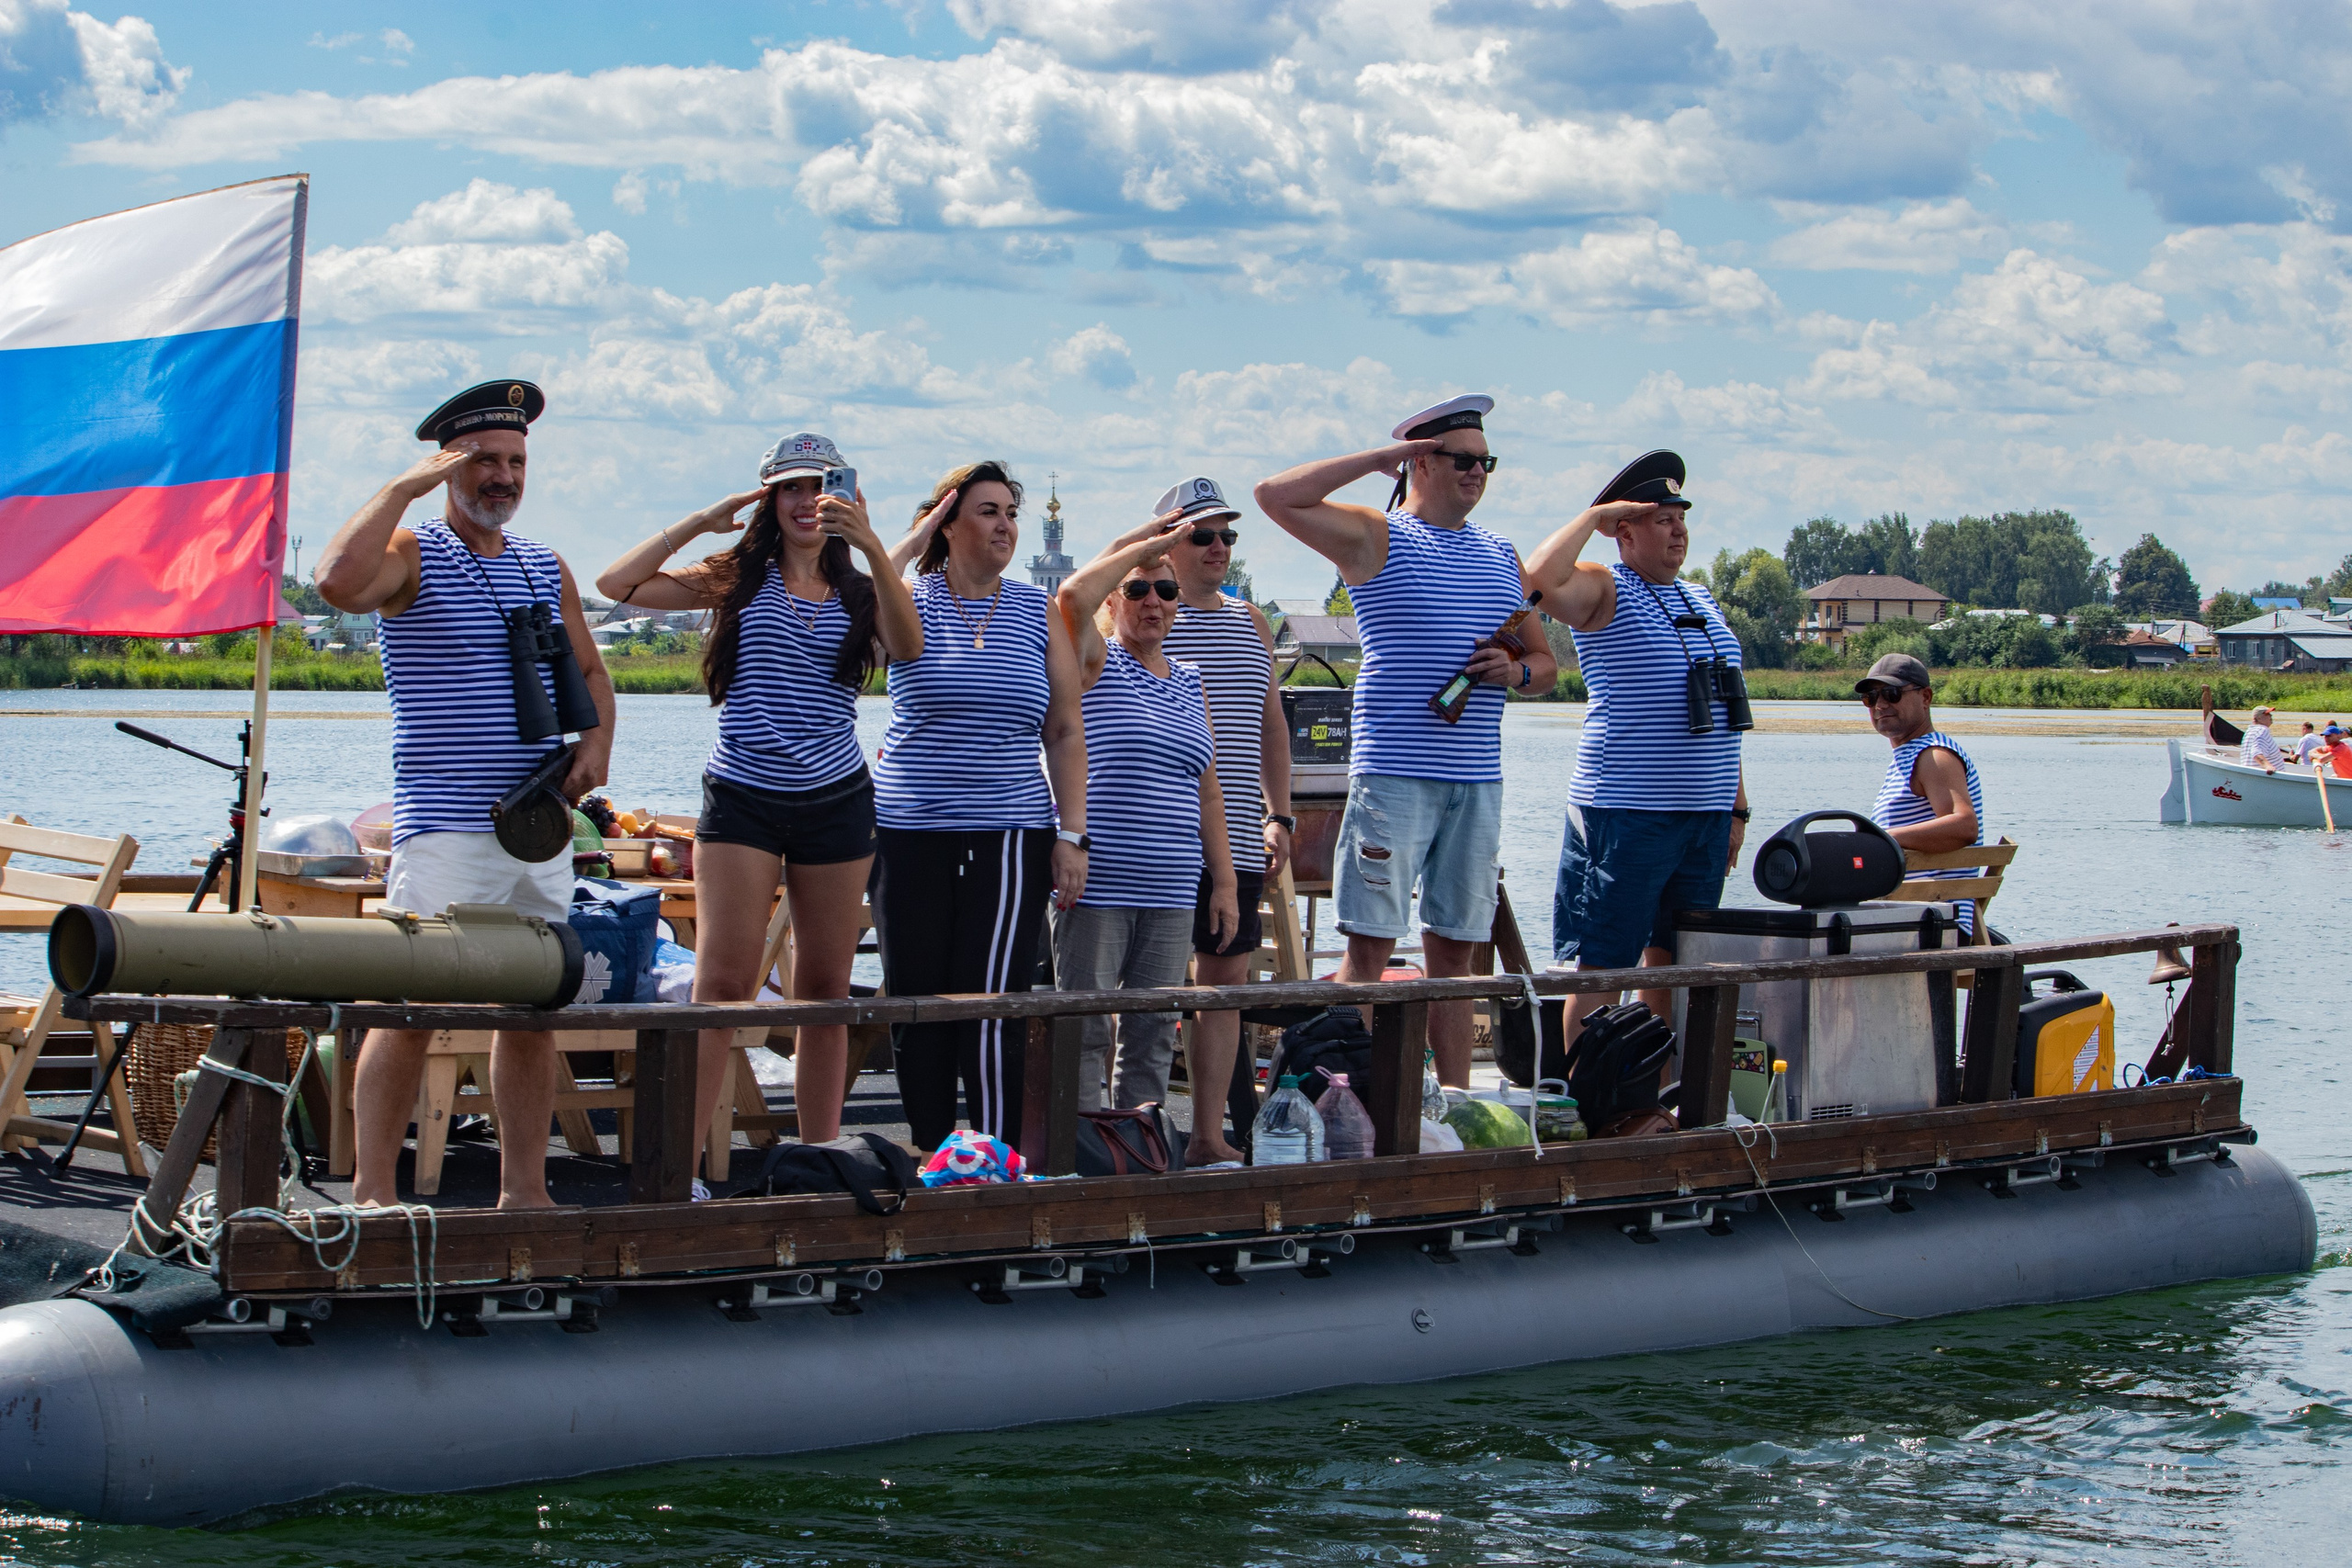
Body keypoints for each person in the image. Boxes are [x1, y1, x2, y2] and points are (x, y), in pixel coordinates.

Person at [314, 380, 616, 1209]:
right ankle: (374, 1193)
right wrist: (401, 489)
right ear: (447, 466)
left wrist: (596, 745)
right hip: (446, 825)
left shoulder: (541, 563)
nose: (503, 477)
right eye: (484, 460)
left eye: (515, 461)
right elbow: (336, 583)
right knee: (409, 1007)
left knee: (533, 1010)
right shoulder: (412, 550)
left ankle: (525, 1192)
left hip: (538, 825)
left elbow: (592, 672)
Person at [594, 434, 922, 1185]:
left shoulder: (860, 588)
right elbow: (618, 583)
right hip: (743, 795)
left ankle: (821, 1161)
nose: (808, 502)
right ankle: (677, 1171)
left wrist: (871, 543)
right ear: (769, 500)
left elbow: (909, 647)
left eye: (822, 487)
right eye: (791, 488)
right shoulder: (740, 576)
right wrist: (704, 519)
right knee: (722, 986)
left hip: (835, 799)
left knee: (825, 992)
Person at [1254, 396, 1555, 1086]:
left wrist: (1514, 671)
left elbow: (1545, 665)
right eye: (1463, 459)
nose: (1477, 472)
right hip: (1394, 777)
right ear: (1420, 461)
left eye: (1487, 462)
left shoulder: (1501, 553)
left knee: (1456, 954)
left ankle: (1454, 1104)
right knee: (1370, 947)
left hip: (1477, 782)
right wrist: (1378, 458)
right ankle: (1347, 1096)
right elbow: (1274, 496)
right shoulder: (1377, 536)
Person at [874, 463, 1089, 1151]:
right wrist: (915, 538)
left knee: (994, 1000)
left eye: (1010, 513)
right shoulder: (909, 598)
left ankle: (998, 1155)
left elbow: (1064, 728)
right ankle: (933, 1151)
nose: (1005, 526)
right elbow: (869, 591)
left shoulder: (1035, 610)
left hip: (1010, 831)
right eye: (988, 511)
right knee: (917, 999)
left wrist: (1073, 834)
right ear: (948, 523)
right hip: (910, 829)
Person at [1521, 450, 1748, 1043]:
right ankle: (1582, 1090)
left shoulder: (1701, 599)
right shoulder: (1606, 588)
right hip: (1627, 812)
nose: (1678, 531)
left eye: (1681, 518)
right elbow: (1537, 578)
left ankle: (1655, 1086)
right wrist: (1594, 517)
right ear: (1624, 533)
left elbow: (1724, 711)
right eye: (1662, 519)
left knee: (1675, 966)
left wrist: (1737, 807)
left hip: (1704, 816)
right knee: (1605, 965)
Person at [1052, 525, 1238, 1112]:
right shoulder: (1095, 663)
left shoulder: (1190, 681)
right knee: (1085, 1029)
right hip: (1097, 885)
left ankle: (1140, 1146)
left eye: (1166, 590)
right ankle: (1081, 1147)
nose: (1153, 601)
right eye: (1136, 590)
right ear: (1113, 601)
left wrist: (1225, 882)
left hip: (1172, 889)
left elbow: (1209, 793)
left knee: (1154, 1032)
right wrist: (1145, 543)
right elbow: (1071, 598)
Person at [1155, 478, 1293, 1163]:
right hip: (1160, 836)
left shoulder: (1250, 620)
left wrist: (1280, 815)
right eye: (1202, 536)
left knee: (1224, 986)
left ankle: (1208, 1137)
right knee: (1144, 989)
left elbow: (1273, 726)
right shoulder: (1150, 612)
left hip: (1237, 835)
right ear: (1167, 545)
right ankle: (1129, 1134)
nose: (1218, 547)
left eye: (1227, 535)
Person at [1855, 653, 1989, 936]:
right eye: (1871, 697)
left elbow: (1964, 826)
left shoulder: (1933, 755)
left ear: (1925, 697)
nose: (1880, 705)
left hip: (1933, 925)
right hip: (1911, 919)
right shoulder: (1910, 756)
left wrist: (1883, 839)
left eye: (1892, 694)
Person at [2241, 706, 2284, 773]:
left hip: (2250, 773)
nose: (2271, 716)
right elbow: (2256, 752)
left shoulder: (2250, 731)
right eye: (2267, 714)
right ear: (2259, 718)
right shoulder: (2262, 730)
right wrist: (2267, 766)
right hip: (2268, 777)